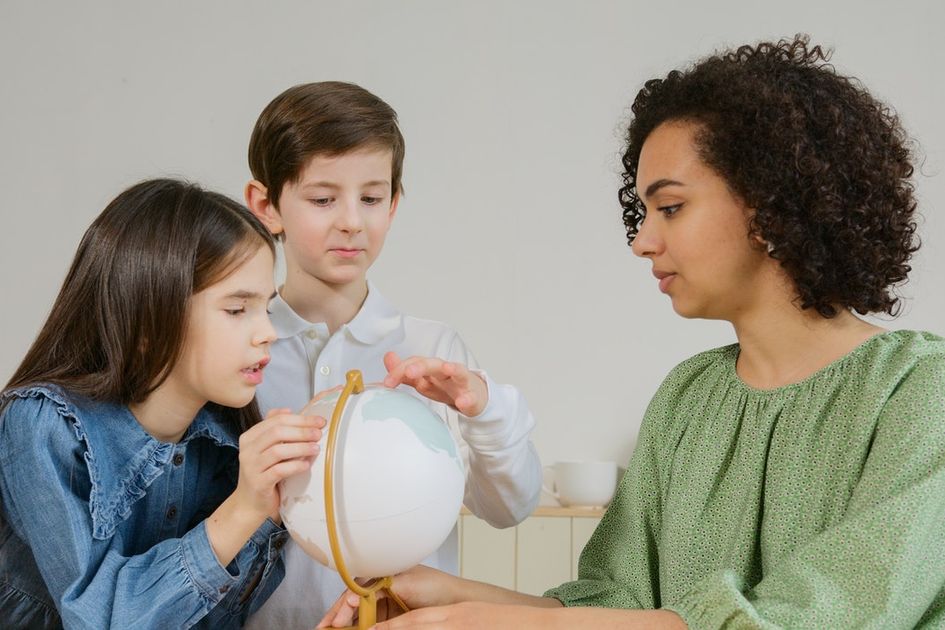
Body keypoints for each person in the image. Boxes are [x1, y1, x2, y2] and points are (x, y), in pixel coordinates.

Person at [319, 35, 945, 629]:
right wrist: (447, 596)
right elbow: (614, 606)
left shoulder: (921, 391)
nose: (643, 241)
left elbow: (818, 617)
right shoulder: (689, 397)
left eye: (670, 208)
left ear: (771, 204)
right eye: (643, 211)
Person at [242, 81, 543, 627]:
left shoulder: (434, 352)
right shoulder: (240, 354)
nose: (352, 221)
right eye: (323, 199)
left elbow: (510, 507)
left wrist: (485, 411)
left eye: (371, 198)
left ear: (394, 203)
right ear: (267, 205)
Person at [0, 179, 325, 629]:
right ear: (149, 319)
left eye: (265, 309)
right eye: (237, 310)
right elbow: (99, 620)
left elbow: (212, 620)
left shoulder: (223, 441)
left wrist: (268, 506)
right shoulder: (43, 426)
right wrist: (241, 510)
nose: (267, 332)